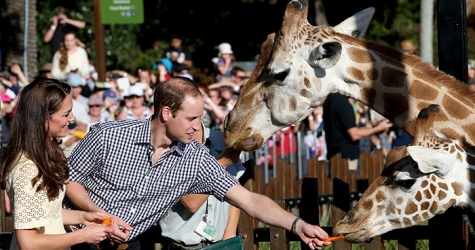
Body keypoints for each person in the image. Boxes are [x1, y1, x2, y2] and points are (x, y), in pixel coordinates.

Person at [65, 77, 330, 250]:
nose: (197, 126)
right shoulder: (108, 135)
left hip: (127, 245)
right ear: (166, 112)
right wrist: (100, 216)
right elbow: (68, 180)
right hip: (72, 237)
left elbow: (249, 201)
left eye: (200, 118)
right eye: (191, 118)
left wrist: (298, 225)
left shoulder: (196, 158)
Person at [0, 78, 113, 250]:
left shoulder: (40, 157)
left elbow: (47, 212)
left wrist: (82, 217)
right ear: (43, 119)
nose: (72, 118)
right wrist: (82, 235)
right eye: (66, 114)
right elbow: (28, 243)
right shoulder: (28, 169)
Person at [159, 121, 246, 249]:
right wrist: (220, 164)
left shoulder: (224, 141)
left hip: (221, 244)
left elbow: (235, 189)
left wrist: (230, 235)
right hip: (183, 246)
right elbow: (191, 203)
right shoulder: (166, 145)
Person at [323, 93, 392, 171]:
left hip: (334, 155)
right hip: (345, 159)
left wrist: (373, 123)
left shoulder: (330, 100)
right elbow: (354, 134)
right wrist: (379, 128)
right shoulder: (342, 103)